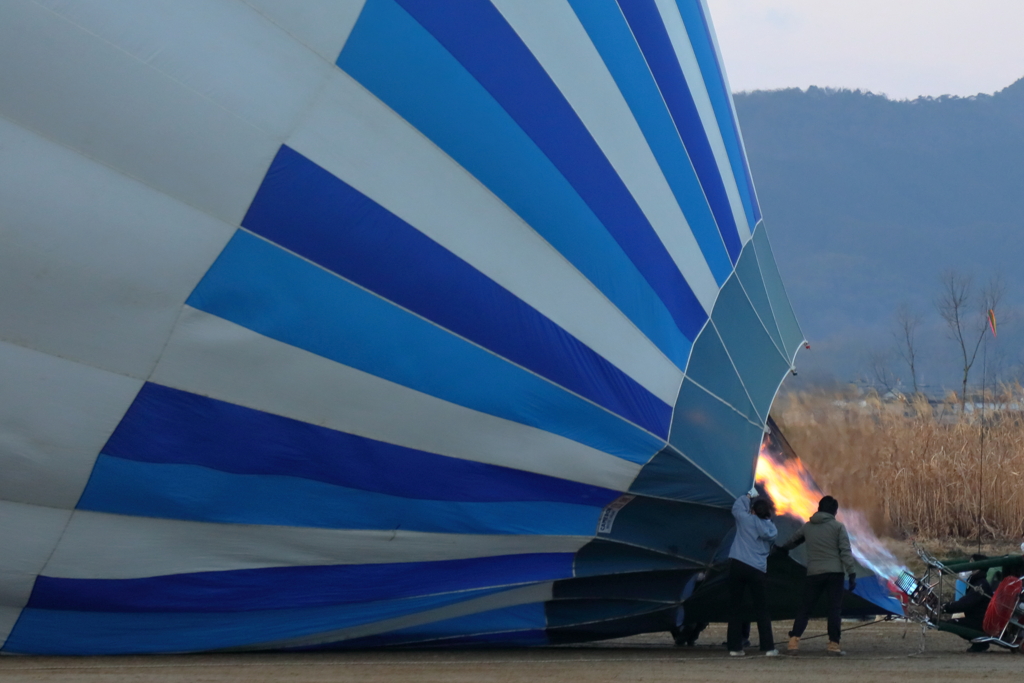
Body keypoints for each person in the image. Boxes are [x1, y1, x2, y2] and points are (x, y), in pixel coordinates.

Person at [778, 495, 857, 656]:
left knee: (805, 608)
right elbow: (845, 552)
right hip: (835, 574)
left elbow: (792, 542)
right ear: (834, 511)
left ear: (819, 508)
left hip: (814, 573)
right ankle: (833, 644)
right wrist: (852, 574)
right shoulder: (838, 527)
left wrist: (781, 550)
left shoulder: (808, 527)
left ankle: (793, 642)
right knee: (834, 609)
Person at [726, 489, 779, 657]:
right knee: (762, 609)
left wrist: (747, 496)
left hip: (738, 565)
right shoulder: (772, 529)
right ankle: (768, 647)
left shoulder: (745, 520)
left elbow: (736, 508)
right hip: (757, 569)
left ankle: (735, 647)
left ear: (753, 510)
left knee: (735, 607)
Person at [941, 555, 992, 652]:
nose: (969, 566)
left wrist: (946, 607)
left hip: (979, 622)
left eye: (972, 563)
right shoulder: (977, 582)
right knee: (954, 621)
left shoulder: (980, 585)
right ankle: (979, 642)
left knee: (953, 623)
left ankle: (980, 643)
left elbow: (966, 603)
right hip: (976, 619)